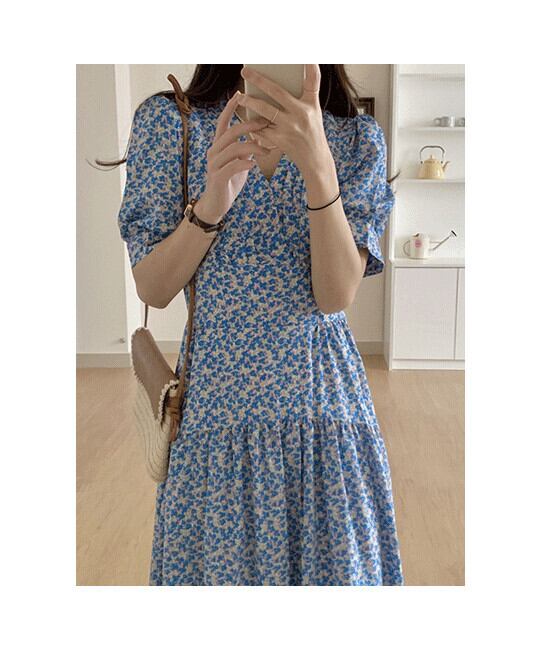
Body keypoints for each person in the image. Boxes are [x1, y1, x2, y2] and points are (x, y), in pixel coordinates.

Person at [114, 64, 404, 585]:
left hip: (324, 422)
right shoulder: (171, 123)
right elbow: (152, 288)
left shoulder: (354, 137)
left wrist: (319, 167)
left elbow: (335, 296)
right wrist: (212, 203)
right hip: (214, 427)